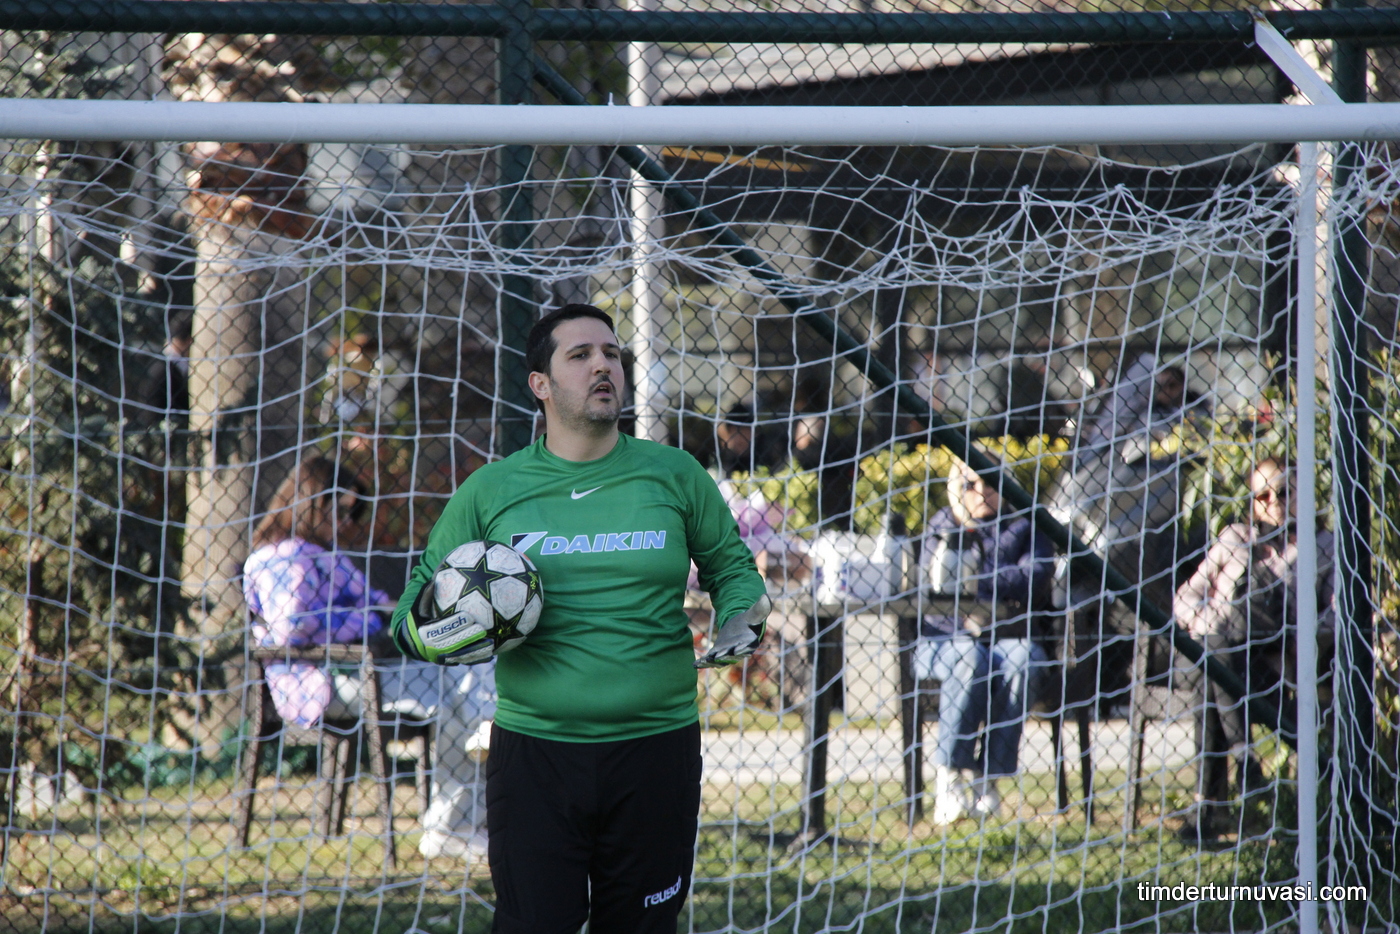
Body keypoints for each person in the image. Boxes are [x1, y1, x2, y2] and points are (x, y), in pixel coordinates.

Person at [390, 303, 769, 933]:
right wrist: (449, 633)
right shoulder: (491, 490)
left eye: (612, 354)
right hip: (535, 756)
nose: (603, 366)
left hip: (657, 751)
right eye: (581, 355)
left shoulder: (674, 474)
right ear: (540, 384)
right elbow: (410, 616)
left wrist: (741, 614)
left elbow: (733, 571)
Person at [243, 456, 497, 862]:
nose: (347, 522)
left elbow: (375, 601)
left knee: (462, 678)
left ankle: (458, 814)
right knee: (460, 691)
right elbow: (294, 627)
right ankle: (455, 820)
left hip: (359, 671)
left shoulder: (321, 553)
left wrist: (406, 613)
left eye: (351, 512)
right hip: (320, 681)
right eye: (342, 510)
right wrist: (369, 620)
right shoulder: (284, 556)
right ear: (312, 501)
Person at [1172, 457, 1335, 839]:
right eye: (1263, 495)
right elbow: (1185, 597)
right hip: (1223, 644)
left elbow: (1337, 612)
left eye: (1284, 492)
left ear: (1303, 494)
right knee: (1215, 651)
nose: (1274, 502)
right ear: (1252, 502)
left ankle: (1208, 806)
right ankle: (1243, 762)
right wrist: (1212, 622)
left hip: (1274, 665)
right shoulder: (1234, 538)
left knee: (1210, 679)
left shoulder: (1324, 545)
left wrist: (1296, 630)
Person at [914, 458, 1055, 823]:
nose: (981, 492)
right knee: (970, 658)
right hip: (945, 639)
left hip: (1007, 637)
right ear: (955, 489)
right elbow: (933, 585)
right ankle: (949, 776)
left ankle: (987, 778)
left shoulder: (1025, 524)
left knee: (1025, 659)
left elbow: (1035, 575)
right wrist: (999, 582)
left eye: (989, 482)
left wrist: (974, 580)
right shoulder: (942, 524)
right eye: (970, 485)